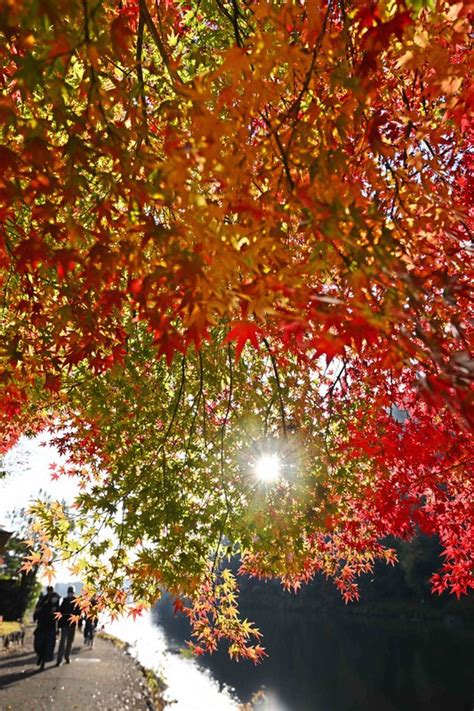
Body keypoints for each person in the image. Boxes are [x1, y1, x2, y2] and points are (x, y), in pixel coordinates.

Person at [33, 586, 60, 670]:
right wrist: (35, 616)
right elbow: (37, 609)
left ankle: (43, 661)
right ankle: (40, 657)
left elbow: (58, 614)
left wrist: (58, 628)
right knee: (38, 644)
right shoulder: (43, 599)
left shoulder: (55, 600)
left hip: (50, 626)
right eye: (48, 591)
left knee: (47, 645)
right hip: (41, 625)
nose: (49, 592)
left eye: (51, 591)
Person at [56, 586, 81, 666]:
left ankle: (67, 656)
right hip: (64, 624)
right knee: (62, 642)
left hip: (72, 625)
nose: (70, 594)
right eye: (69, 592)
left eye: (71, 592)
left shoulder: (77, 602)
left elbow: (79, 614)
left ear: (73, 593)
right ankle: (59, 660)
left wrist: (80, 625)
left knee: (70, 641)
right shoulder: (64, 601)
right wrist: (59, 626)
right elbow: (60, 613)